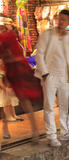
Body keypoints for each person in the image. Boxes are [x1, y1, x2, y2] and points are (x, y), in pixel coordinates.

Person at [35, 9, 69, 147]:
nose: (60, 22)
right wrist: (45, 73)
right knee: (49, 105)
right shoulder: (46, 35)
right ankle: (51, 135)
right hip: (50, 75)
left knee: (64, 105)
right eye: (59, 18)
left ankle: (65, 132)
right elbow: (39, 54)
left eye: (64, 19)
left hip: (65, 76)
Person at [0, 17, 41, 149]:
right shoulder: (7, 36)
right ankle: (6, 129)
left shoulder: (8, 36)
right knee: (8, 98)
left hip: (17, 70)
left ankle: (34, 131)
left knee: (23, 100)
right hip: (11, 69)